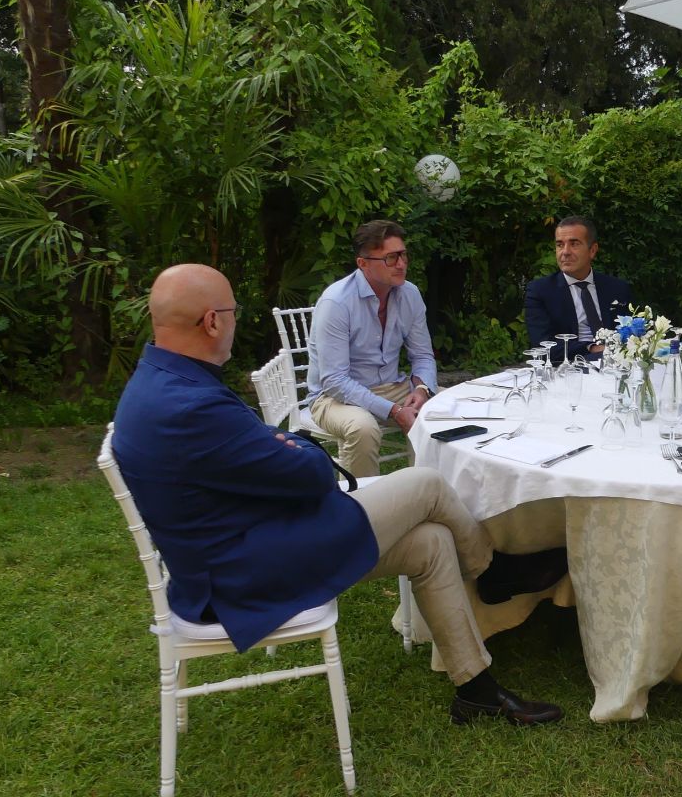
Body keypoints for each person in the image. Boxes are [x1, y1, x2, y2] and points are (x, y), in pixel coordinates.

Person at [113, 263, 564, 726]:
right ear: (212, 321)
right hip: (245, 574)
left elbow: (268, 456)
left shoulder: (160, 382)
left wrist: (286, 444)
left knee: (430, 543)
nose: (234, 321)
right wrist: (297, 447)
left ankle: (476, 689)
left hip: (241, 549)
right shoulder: (192, 404)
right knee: (426, 484)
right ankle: (493, 568)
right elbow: (313, 474)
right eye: (233, 312)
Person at [308, 220, 436, 478]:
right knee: (363, 428)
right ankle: (362, 500)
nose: (401, 264)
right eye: (391, 258)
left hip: (392, 387)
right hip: (333, 398)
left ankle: (427, 488)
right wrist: (393, 410)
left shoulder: (410, 294)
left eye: (403, 255)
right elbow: (334, 380)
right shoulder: (336, 302)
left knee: (444, 409)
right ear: (363, 263)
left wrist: (422, 389)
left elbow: (423, 355)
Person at [525, 216, 632, 362]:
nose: (565, 252)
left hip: (615, 365)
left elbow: (630, 336)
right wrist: (591, 348)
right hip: (568, 366)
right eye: (560, 245)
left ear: (592, 250)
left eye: (574, 244)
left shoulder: (617, 288)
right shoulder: (540, 291)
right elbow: (542, 346)